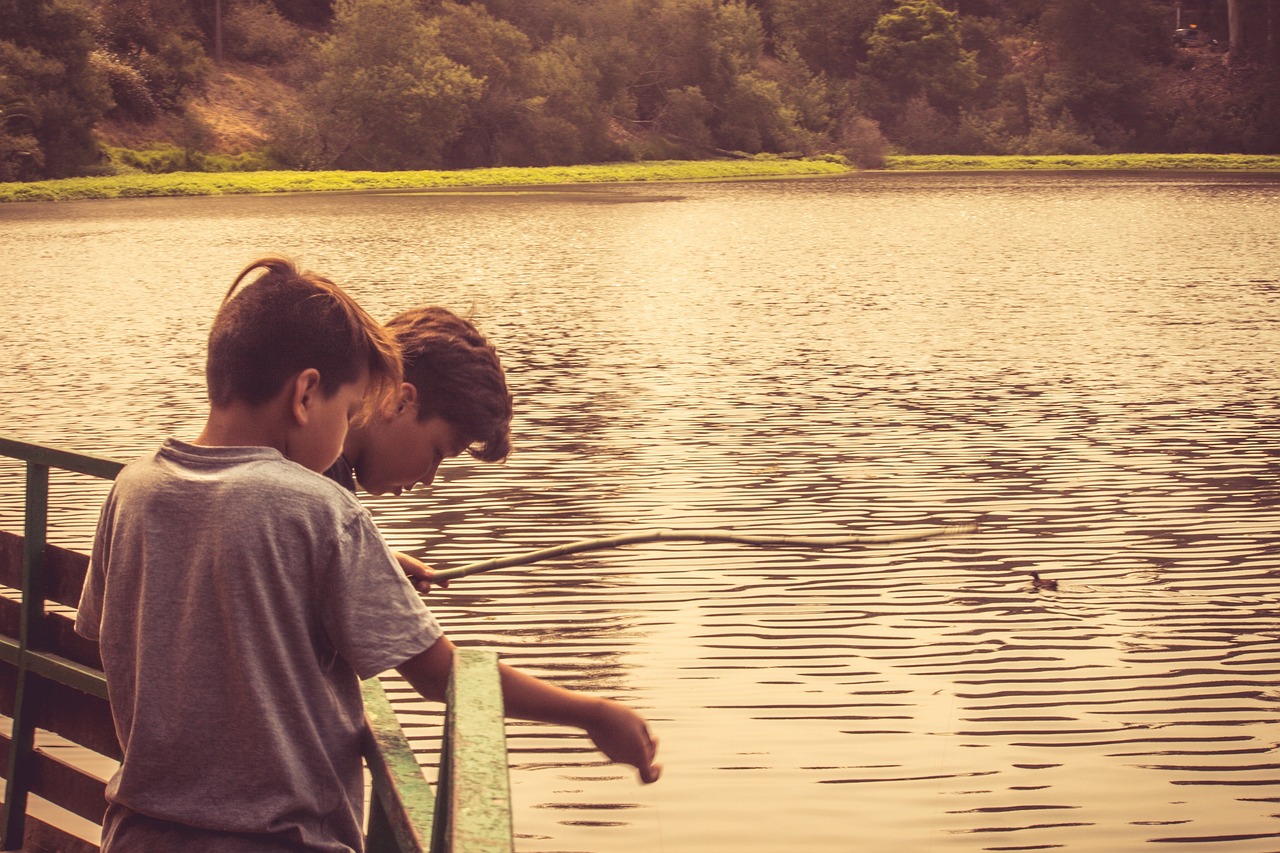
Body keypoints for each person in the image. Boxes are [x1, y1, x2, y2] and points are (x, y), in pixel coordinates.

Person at [75, 258, 660, 853]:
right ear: (306, 393)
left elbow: (110, 632)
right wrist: (590, 712)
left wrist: (349, 572)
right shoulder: (321, 510)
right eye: (349, 405)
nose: (351, 421)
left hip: (138, 833)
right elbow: (436, 673)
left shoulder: (133, 486)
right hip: (280, 840)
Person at [324, 306, 513, 593]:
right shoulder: (326, 500)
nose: (428, 479)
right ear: (399, 402)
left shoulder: (310, 465)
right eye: (438, 453)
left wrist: (367, 562)